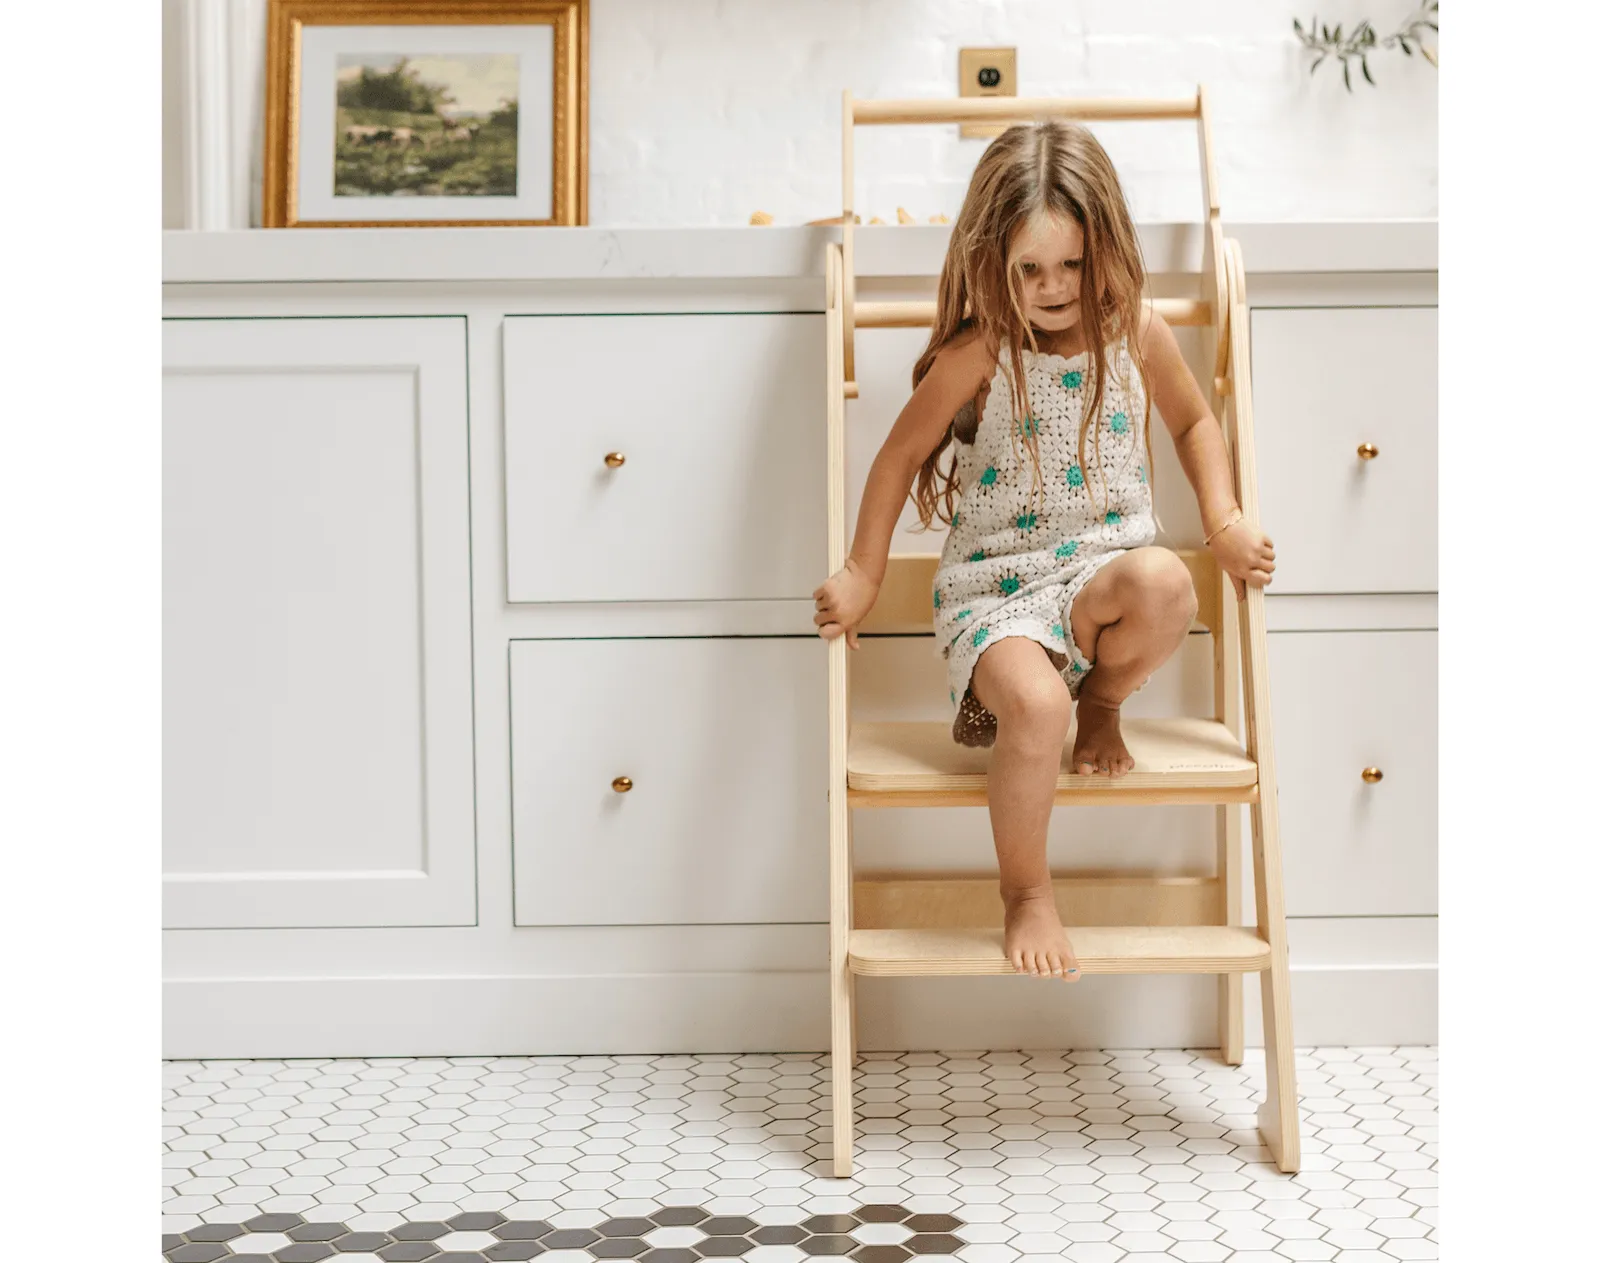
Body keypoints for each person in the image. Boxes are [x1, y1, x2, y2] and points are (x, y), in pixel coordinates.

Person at [811, 119, 1277, 981]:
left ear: (1106, 247)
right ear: (995, 262)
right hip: (997, 595)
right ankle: (1026, 890)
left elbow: (1194, 421)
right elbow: (896, 457)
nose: (1054, 286)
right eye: (1030, 268)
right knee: (1033, 707)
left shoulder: (1137, 331)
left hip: (1101, 577)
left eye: (1072, 263)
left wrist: (1225, 520)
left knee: (1169, 583)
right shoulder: (981, 351)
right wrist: (863, 573)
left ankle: (1102, 701)